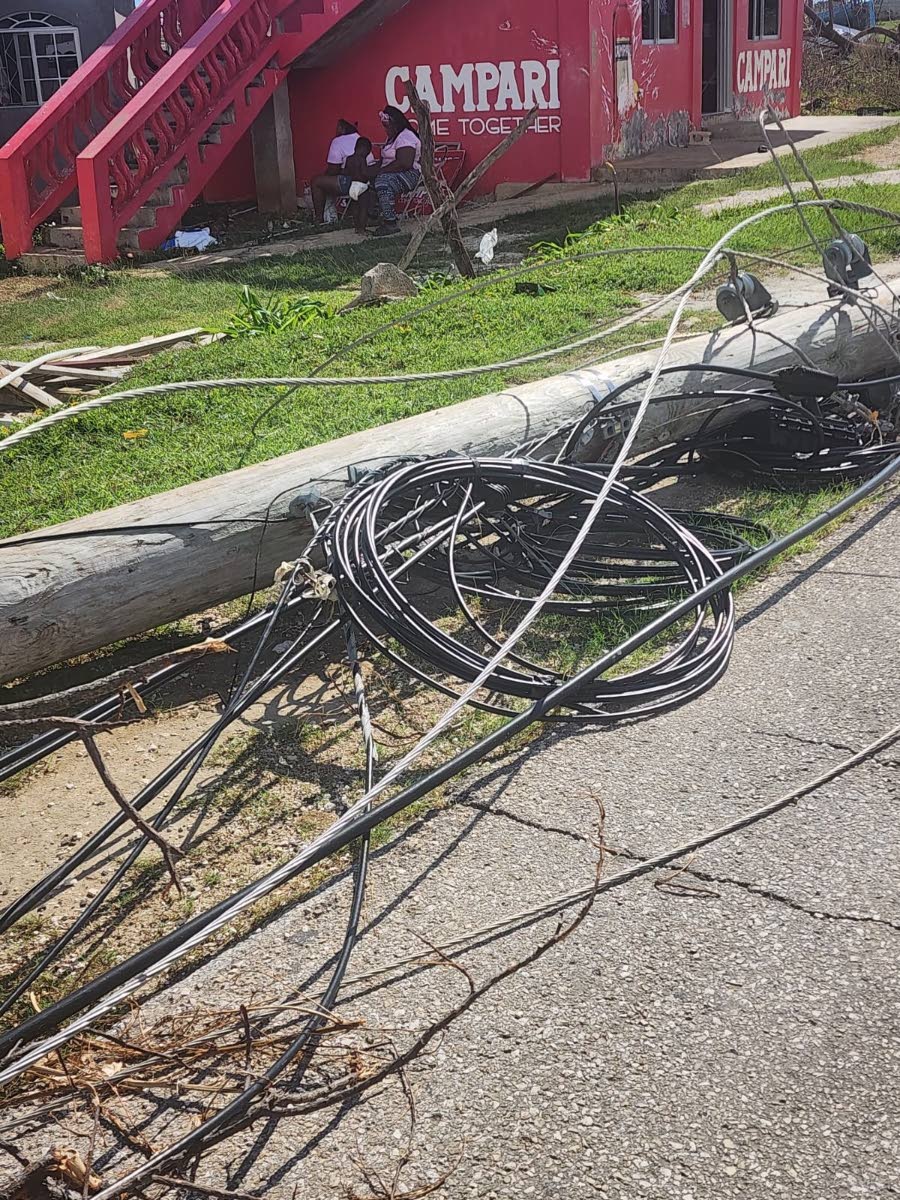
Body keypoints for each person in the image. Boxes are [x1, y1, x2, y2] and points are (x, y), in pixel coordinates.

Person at [370, 105, 422, 236]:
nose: (385, 129)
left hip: (410, 174)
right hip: (393, 172)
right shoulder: (391, 138)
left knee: (383, 182)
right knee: (367, 181)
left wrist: (381, 172)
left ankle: (390, 223)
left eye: (387, 126)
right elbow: (383, 161)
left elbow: (404, 163)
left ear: (394, 123)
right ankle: (374, 215)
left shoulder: (406, 136)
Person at [310, 119, 372, 225]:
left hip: (351, 183)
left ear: (343, 128)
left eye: (338, 127)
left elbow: (333, 170)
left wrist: (327, 177)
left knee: (316, 181)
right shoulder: (360, 139)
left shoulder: (338, 141)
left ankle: (319, 219)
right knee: (360, 206)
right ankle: (359, 226)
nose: (336, 130)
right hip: (366, 182)